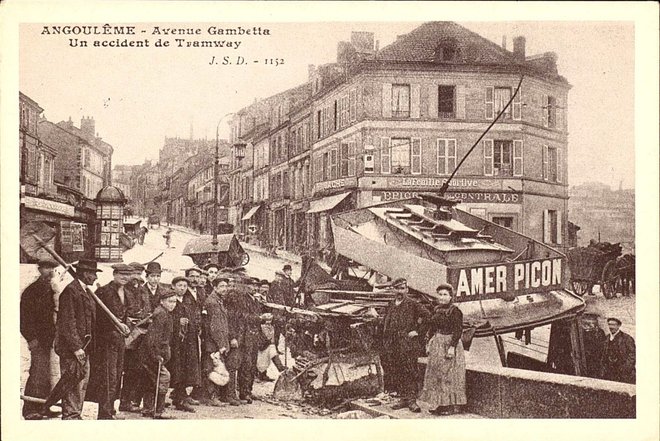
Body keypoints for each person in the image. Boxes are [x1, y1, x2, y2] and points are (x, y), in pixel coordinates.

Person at [54, 259, 102, 420]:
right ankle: (70, 415)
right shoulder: (71, 291)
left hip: (84, 346)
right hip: (72, 349)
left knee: (81, 382)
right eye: (93, 273)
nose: (95, 277)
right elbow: (67, 322)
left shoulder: (84, 291)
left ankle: (75, 413)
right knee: (72, 382)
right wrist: (76, 347)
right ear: (85, 274)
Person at [87, 264, 132, 420]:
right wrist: (112, 328)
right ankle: (104, 413)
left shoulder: (126, 292)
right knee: (108, 377)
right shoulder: (104, 292)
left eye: (127, 275)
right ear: (114, 274)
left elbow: (127, 315)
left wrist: (127, 327)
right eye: (121, 274)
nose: (125, 278)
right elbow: (96, 318)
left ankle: (111, 409)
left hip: (119, 340)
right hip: (106, 341)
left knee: (117, 375)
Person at [380, 277, 429, 412]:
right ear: (393, 290)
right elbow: (386, 322)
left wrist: (417, 331)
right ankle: (403, 399)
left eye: (402, 288)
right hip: (393, 344)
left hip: (408, 344)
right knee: (398, 370)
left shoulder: (413, 304)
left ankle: (412, 401)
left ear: (406, 290)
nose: (399, 291)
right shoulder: (391, 304)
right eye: (397, 288)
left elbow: (427, 317)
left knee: (410, 371)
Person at [418, 284, 467, 416]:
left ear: (451, 297)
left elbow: (458, 330)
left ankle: (450, 406)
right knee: (437, 373)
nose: (442, 297)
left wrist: (452, 347)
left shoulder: (455, 311)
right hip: (438, 343)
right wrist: (429, 342)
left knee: (449, 374)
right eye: (440, 294)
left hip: (450, 343)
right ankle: (440, 403)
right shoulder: (437, 309)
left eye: (445, 294)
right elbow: (432, 327)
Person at [20, 259, 59, 419]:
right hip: (37, 340)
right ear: (40, 270)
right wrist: (31, 339)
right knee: (37, 373)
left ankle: (44, 407)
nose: (50, 272)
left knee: (47, 375)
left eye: (53, 269)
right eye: (47, 268)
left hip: (48, 339)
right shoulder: (32, 291)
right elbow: (24, 319)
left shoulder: (51, 290)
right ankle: (30, 410)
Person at [119, 262, 153, 412]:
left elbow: (146, 308)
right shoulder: (124, 290)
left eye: (139, 274)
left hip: (139, 336)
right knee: (124, 370)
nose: (136, 277)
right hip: (127, 336)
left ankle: (129, 401)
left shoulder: (141, 291)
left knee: (135, 370)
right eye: (134, 273)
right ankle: (122, 402)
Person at [140, 289, 177, 419]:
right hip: (153, 354)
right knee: (163, 379)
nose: (172, 304)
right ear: (162, 301)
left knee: (152, 381)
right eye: (170, 301)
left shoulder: (163, 313)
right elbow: (153, 337)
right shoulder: (161, 314)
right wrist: (156, 355)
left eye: (174, 302)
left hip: (152, 353)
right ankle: (158, 411)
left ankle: (148, 409)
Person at [225, 279, 263, 404]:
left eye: (256, 286)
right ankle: (243, 392)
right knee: (245, 365)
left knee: (252, 365)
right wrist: (260, 318)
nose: (254, 288)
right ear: (245, 286)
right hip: (245, 337)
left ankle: (248, 390)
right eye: (251, 285)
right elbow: (243, 317)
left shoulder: (256, 300)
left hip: (253, 336)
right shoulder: (242, 299)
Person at [202, 277, 239, 406]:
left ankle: (214, 396)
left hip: (216, 341)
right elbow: (215, 327)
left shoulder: (218, 300)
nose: (224, 289)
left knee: (216, 367)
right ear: (215, 287)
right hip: (213, 342)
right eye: (221, 286)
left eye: (226, 286)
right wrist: (221, 344)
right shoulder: (212, 302)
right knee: (212, 368)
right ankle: (211, 397)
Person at [167, 276, 195, 413]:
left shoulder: (188, 301)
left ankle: (180, 396)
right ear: (173, 286)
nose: (182, 288)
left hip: (186, 341)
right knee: (174, 368)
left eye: (184, 286)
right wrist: (178, 321)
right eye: (179, 285)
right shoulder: (170, 300)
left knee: (184, 368)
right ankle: (173, 397)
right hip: (173, 341)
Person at [601, 317, 636, 384]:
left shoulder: (627, 338)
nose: (611, 327)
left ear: (619, 325)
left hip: (623, 373)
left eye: (613, 325)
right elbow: (604, 355)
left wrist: (625, 369)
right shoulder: (607, 338)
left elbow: (632, 355)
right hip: (609, 372)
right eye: (609, 324)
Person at [581, 314, 606, 379]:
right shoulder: (582, 332)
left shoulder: (600, 332)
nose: (592, 324)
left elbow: (602, 345)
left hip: (596, 356)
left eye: (593, 321)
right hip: (585, 355)